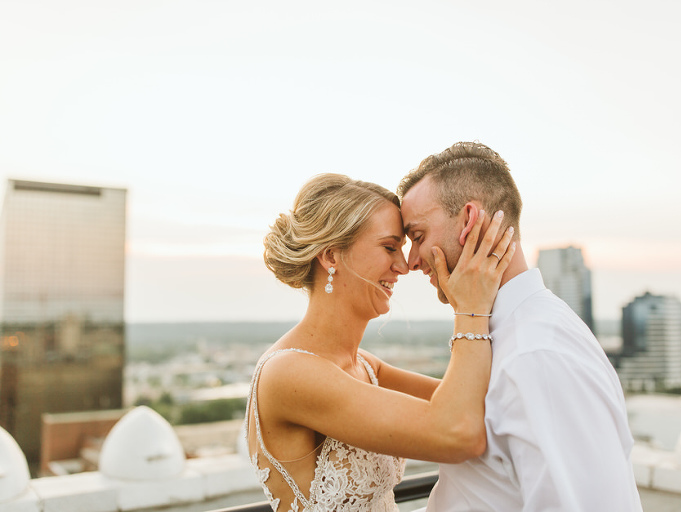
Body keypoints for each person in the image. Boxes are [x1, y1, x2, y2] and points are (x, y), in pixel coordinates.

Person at [246, 173, 516, 511]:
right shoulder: (289, 374)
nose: (404, 266)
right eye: (389, 247)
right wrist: (471, 310)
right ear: (331, 257)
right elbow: (458, 433)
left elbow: (479, 404)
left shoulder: (365, 366)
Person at [398, 142, 643, 511]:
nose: (412, 261)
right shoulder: (494, 335)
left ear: (469, 221)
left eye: (417, 236)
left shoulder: (538, 353)